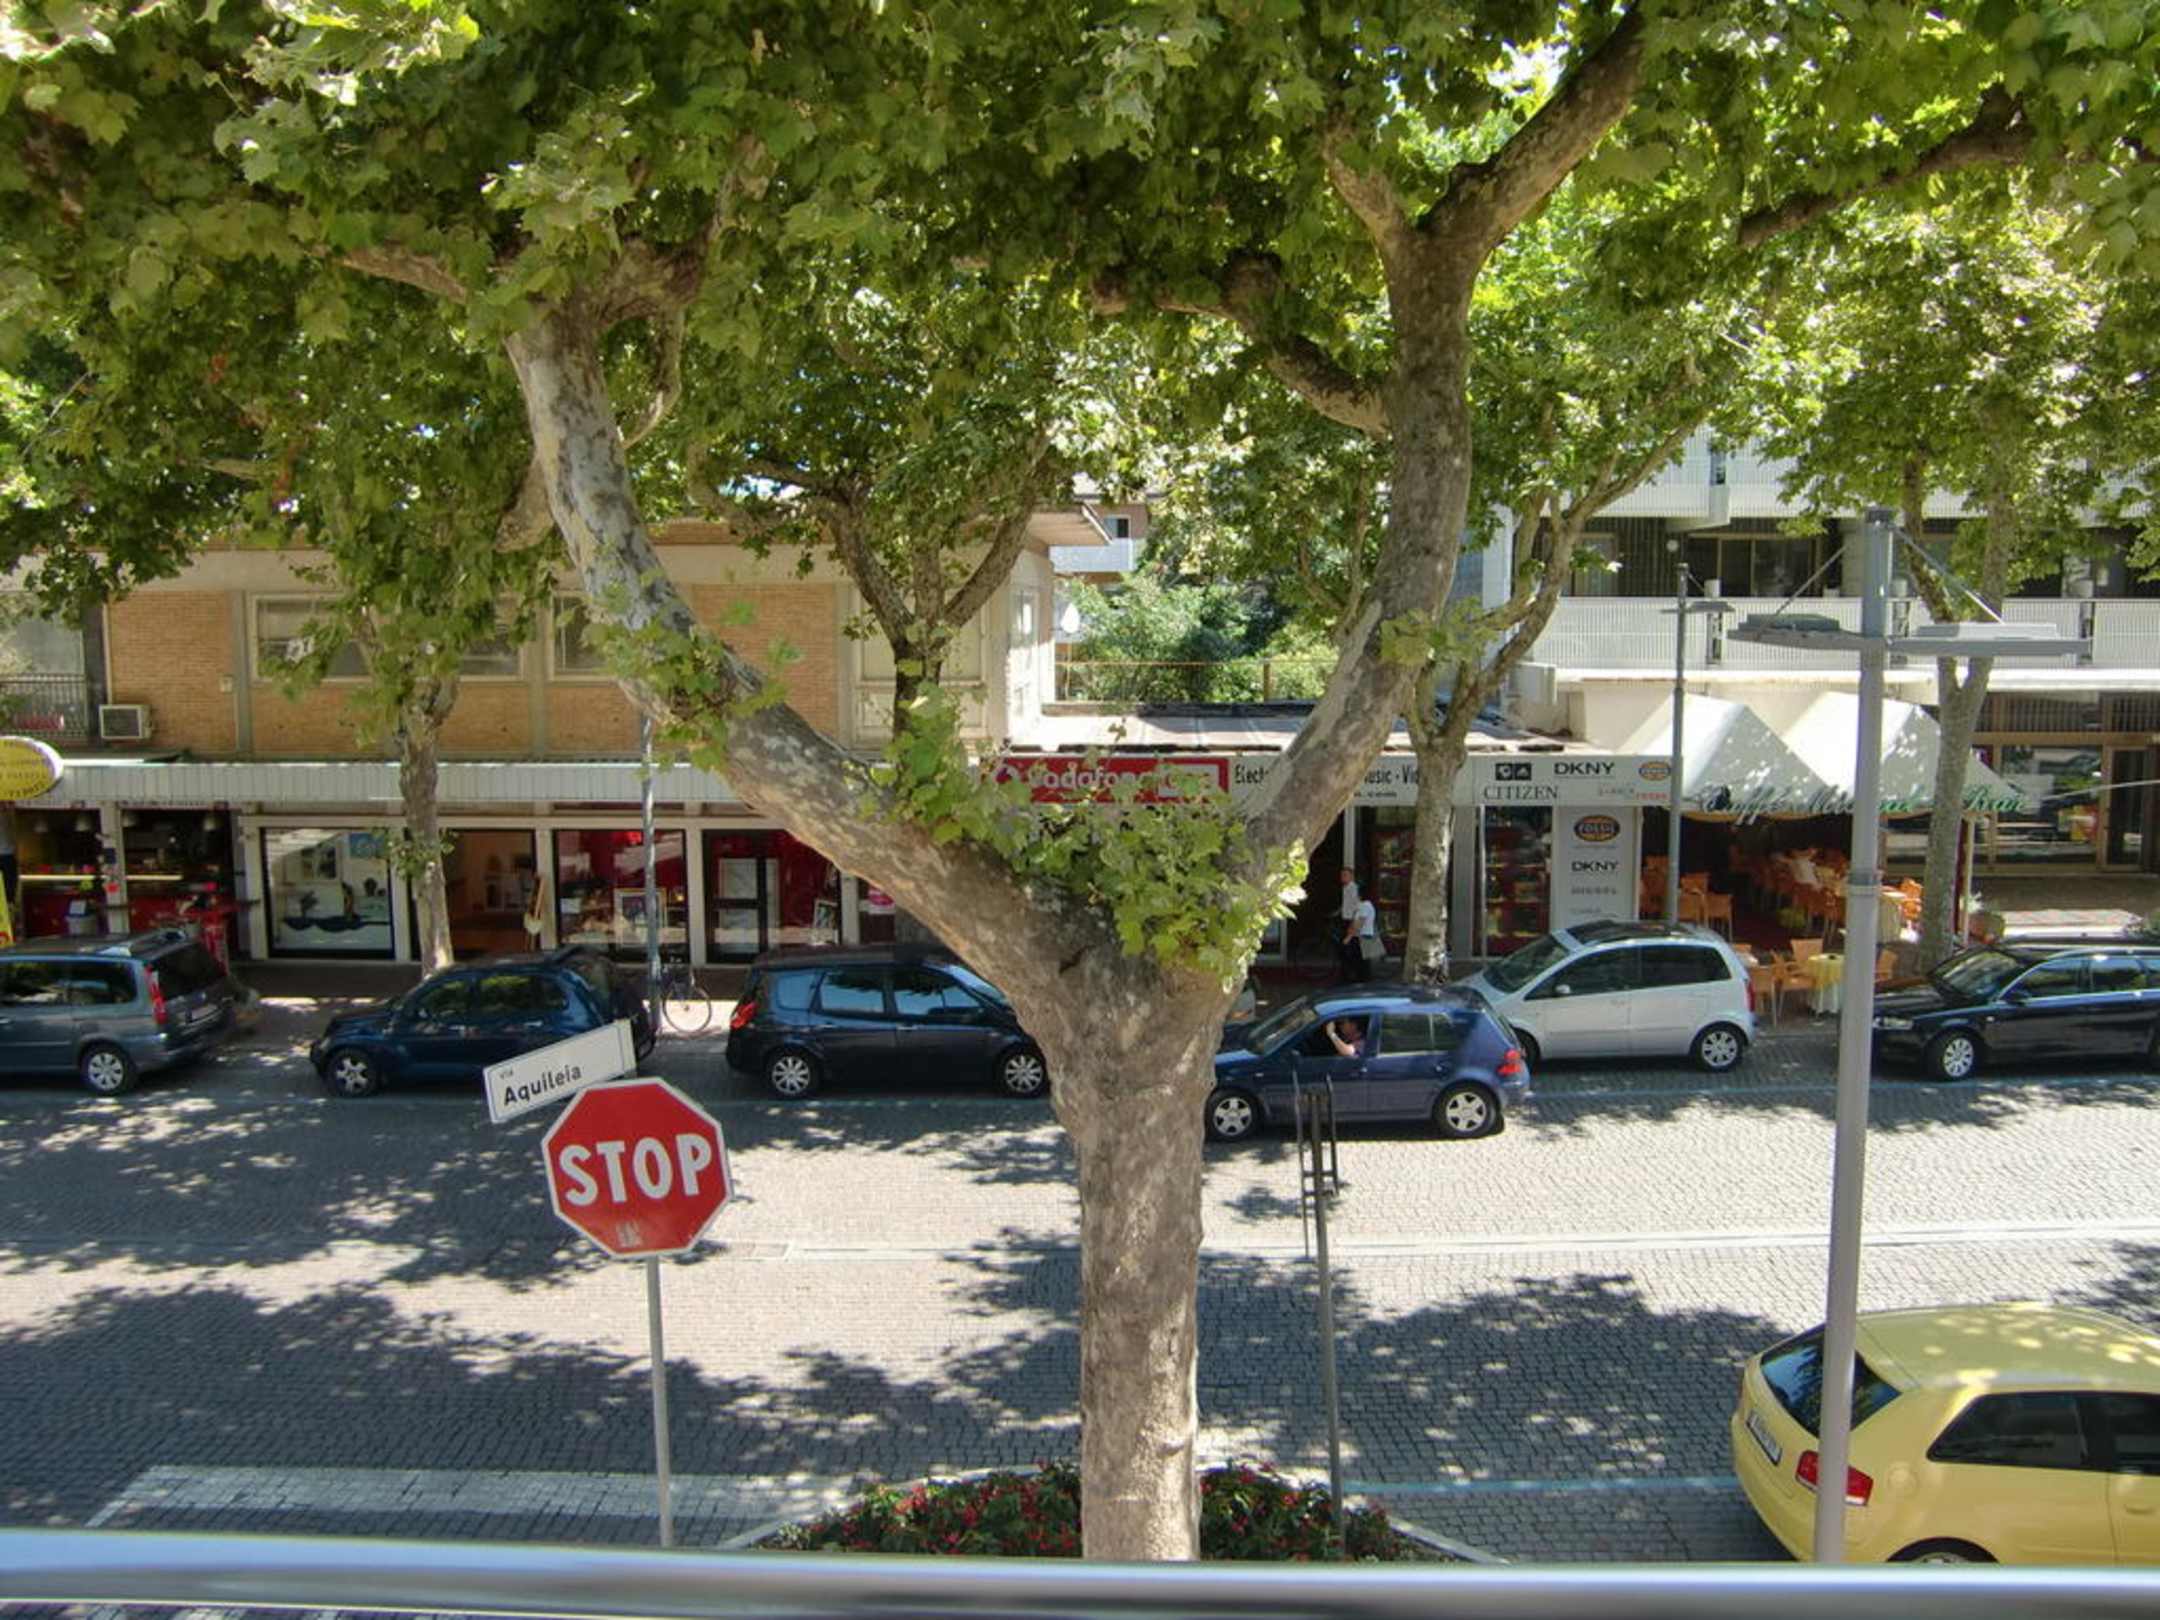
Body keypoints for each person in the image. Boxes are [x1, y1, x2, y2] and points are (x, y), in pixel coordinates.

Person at [1337, 866, 1364, 980]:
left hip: (1351, 922)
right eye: (1342, 875)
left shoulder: (1353, 889)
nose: (1343, 877)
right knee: (1349, 948)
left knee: (1353, 949)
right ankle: (1350, 974)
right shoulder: (1346, 888)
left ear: (1352, 876)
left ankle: (1356, 975)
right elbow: (1346, 905)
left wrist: (1353, 925)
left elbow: (1357, 907)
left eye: (1345, 875)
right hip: (1346, 920)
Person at [1347, 893, 1381, 981]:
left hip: (1364, 934)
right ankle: (1361, 976)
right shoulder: (1359, 908)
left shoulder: (1365, 905)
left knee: (1362, 959)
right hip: (1359, 935)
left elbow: (1360, 922)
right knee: (1358, 958)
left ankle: (1364, 978)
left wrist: (1349, 936)